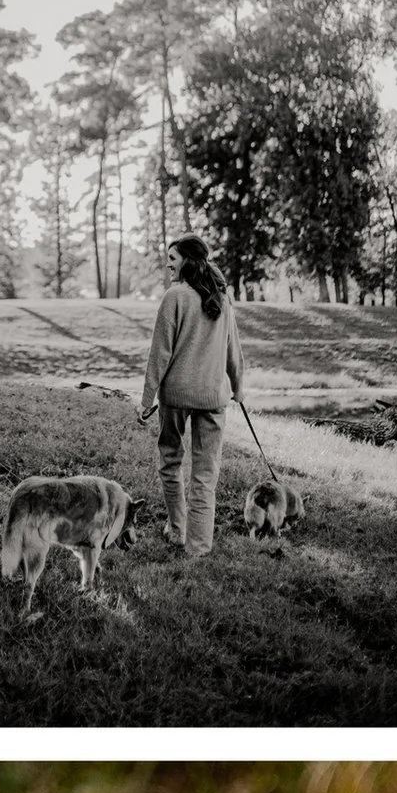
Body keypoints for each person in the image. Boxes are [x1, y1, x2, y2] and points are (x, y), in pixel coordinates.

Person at [140, 234, 246, 558]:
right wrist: (238, 387)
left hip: (176, 395)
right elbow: (233, 348)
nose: (168, 264)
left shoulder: (174, 297)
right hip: (213, 397)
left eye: (172, 258)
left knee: (170, 460)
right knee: (205, 473)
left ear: (187, 260)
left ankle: (177, 530)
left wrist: (147, 400)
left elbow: (160, 352)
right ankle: (198, 548)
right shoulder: (221, 298)